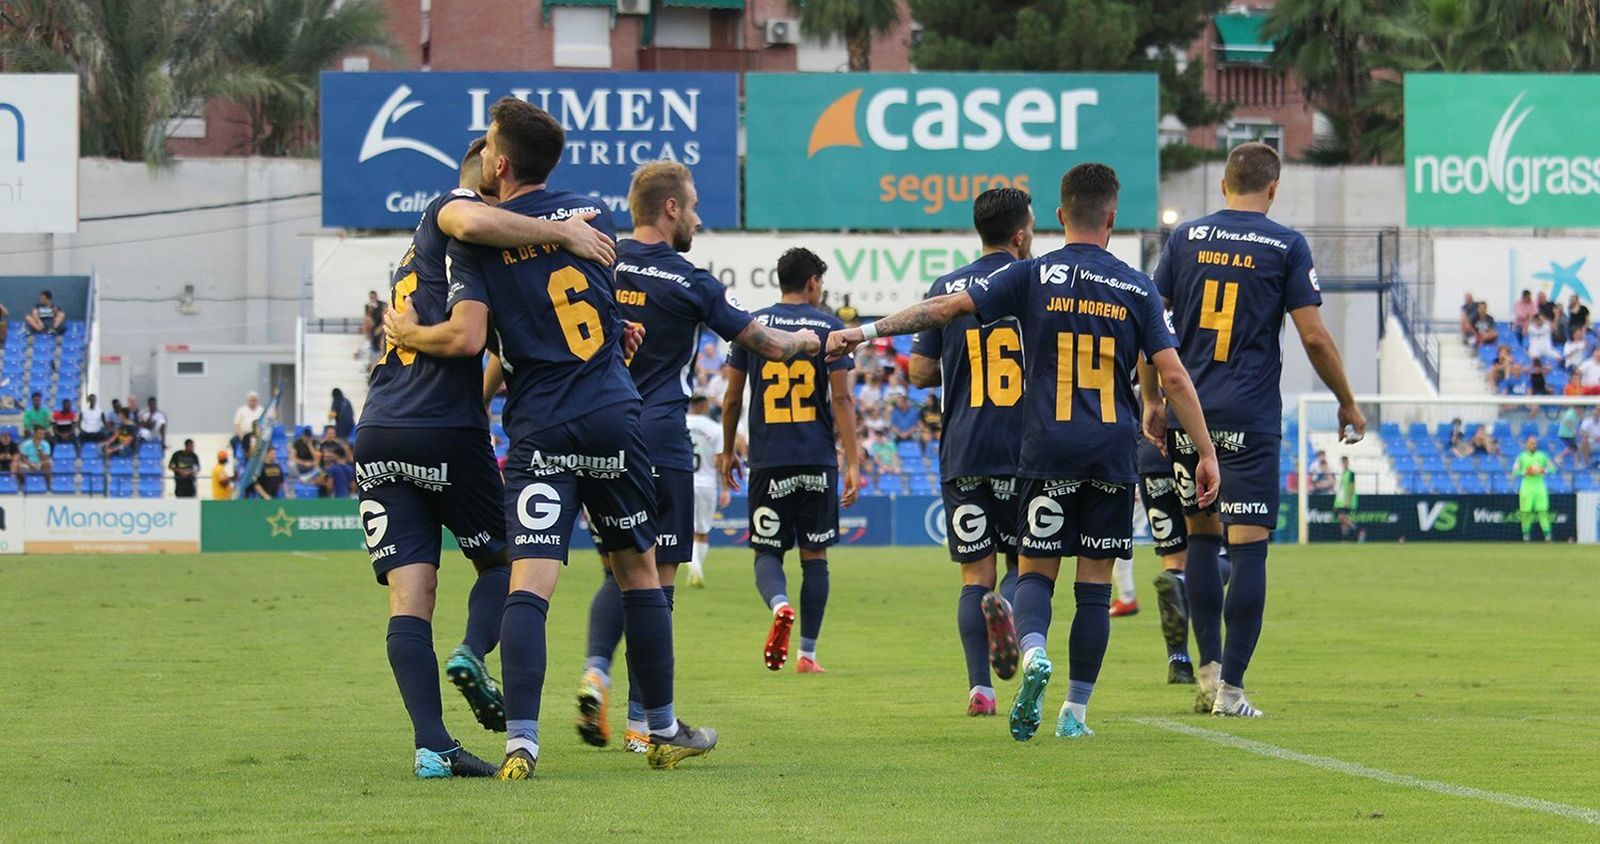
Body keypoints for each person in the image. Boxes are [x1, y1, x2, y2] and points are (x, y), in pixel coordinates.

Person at [825, 162, 1220, 742]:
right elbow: (1175, 377)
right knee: (1094, 586)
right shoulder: (1137, 286)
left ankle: (1031, 650)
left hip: (1044, 449)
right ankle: (1075, 712)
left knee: (1033, 572)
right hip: (1110, 450)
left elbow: (944, 310)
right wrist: (1205, 451)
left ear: (1060, 217)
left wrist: (862, 333)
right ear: (1111, 218)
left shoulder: (1033, 275)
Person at [392, 99, 717, 779]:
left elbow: (478, 331)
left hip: (540, 425)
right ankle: (659, 728)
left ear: (500, 163)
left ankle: (521, 744)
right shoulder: (594, 215)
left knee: (529, 584)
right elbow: (598, 303)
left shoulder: (474, 241)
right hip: (611, 414)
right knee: (638, 573)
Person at [365, 127, 621, 780]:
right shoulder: (454, 219)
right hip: (444, 428)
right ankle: (473, 654)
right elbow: (470, 328)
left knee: (409, 596)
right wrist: (563, 235)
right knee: (505, 564)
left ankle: (432, 747)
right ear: (485, 172)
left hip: (379, 432)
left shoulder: (412, 258)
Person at [570, 160, 813, 753]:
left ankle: (596, 672)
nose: (699, 218)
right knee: (657, 586)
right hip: (658, 434)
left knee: (617, 571)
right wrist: (821, 339)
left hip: (596, 435)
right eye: (695, 206)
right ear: (671, 208)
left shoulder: (596, 257)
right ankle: (647, 724)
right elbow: (768, 344)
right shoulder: (691, 281)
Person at [1152, 142, 1365, 718]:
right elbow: (1315, 337)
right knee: (1248, 550)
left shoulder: (1184, 239)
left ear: (1223, 184)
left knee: (1198, 538)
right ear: (1273, 189)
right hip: (1249, 415)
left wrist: (1153, 401)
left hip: (1188, 414)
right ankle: (1234, 692)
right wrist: (1346, 401)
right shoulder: (1285, 245)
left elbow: (1154, 328)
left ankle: (1208, 670)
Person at [906, 187, 1031, 716]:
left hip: (964, 447)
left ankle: (980, 689)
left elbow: (917, 373)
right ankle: (1007, 606)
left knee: (971, 574)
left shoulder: (945, 286)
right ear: (1021, 233)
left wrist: (955, 362)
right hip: (1026, 449)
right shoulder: (1035, 284)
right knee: (1027, 565)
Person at [719, 247, 856, 680]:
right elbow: (843, 399)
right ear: (813, 282)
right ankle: (808, 654)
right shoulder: (831, 328)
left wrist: (727, 450)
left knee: (766, 551)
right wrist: (852, 462)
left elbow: (733, 398)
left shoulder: (754, 327)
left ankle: (780, 605)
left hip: (768, 458)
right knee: (815, 556)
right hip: (816, 458)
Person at [1135, 430, 1195, 683]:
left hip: (1150, 456)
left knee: (1173, 562)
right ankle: (1180, 583)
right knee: (1219, 552)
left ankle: (1178, 662)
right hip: (1192, 448)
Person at [685, 394, 727, 588]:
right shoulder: (715, 428)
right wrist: (725, 488)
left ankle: (694, 569)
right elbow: (721, 460)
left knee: (685, 528)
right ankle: (696, 568)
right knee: (702, 530)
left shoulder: (680, 423)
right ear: (704, 405)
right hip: (706, 483)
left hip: (684, 480)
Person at [1511, 436, 1556, 542]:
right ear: (1526, 444)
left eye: (1535, 443)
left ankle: (1547, 535)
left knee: (1543, 511)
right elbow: (1514, 472)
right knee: (1526, 512)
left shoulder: (1543, 456)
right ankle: (1525, 535)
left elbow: (1553, 469)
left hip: (1540, 487)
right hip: (1526, 487)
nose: (1533, 445)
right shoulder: (1521, 457)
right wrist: (1526, 472)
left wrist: (1543, 470)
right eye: (1531, 443)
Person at [1333, 456, 1364, 542]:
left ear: (1348, 462)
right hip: (1340, 502)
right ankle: (1345, 538)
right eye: (1343, 462)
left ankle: (1359, 530)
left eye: (1345, 462)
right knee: (1342, 521)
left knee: (1342, 518)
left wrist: (1348, 500)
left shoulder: (1351, 473)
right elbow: (1341, 489)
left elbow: (1351, 487)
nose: (1344, 464)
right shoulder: (1343, 474)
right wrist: (1336, 503)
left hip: (1346, 501)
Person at [363, 290, 385, 358]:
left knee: (380, 342)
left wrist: (380, 328)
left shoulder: (382, 305)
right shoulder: (368, 306)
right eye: (371, 297)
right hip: (373, 327)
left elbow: (384, 318)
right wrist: (370, 309)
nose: (372, 299)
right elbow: (368, 318)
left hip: (381, 326)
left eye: (373, 297)